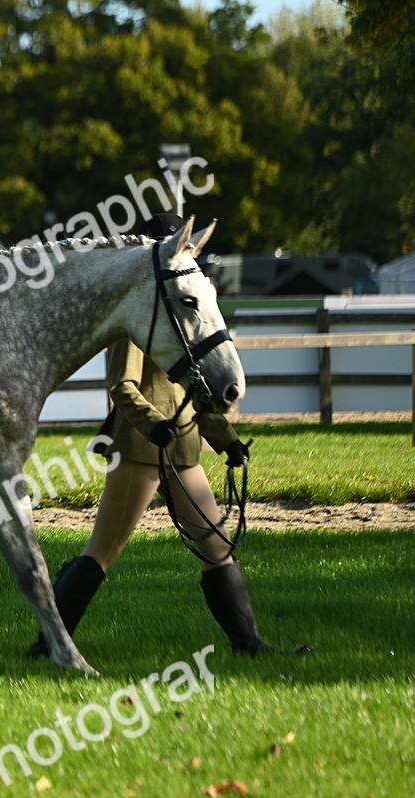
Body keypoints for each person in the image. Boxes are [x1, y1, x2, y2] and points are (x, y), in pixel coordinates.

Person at [27, 214, 306, 658]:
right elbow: (122, 387)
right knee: (102, 551)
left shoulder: (180, 304)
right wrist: (154, 425)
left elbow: (195, 388)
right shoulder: (138, 310)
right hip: (140, 448)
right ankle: (48, 645)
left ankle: (250, 645)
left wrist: (227, 438)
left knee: (217, 546)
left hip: (183, 449)